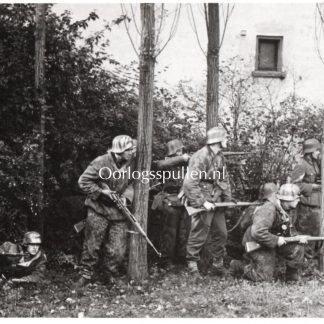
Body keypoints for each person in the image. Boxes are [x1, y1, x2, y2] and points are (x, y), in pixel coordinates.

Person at [75, 135, 135, 287]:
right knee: (92, 244)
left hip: (119, 211)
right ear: (119, 151)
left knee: (118, 249)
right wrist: (102, 192)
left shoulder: (131, 163)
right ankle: (86, 274)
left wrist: (126, 198)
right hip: (98, 208)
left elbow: (132, 183)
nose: (132, 152)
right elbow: (83, 181)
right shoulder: (101, 162)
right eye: (129, 150)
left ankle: (111, 274)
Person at [182, 126, 235, 276]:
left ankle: (217, 265)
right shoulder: (201, 156)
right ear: (218, 140)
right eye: (225, 138)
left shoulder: (219, 156)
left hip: (216, 199)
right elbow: (189, 183)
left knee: (222, 233)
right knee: (199, 233)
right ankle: (192, 266)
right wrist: (202, 202)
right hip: (203, 198)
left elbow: (224, 178)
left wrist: (228, 199)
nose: (226, 140)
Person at [230, 184, 305, 282]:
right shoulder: (268, 209)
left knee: (297, 247)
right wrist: (277, 240)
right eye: (297, 198)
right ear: (288, 199)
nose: (299, 200)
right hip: (258, 243)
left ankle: (292, 279)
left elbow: (287, 228)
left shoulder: (285, 208)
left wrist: (297, 237)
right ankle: (237, 266)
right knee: (264, 278)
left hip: (272, 241)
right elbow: (258, 232)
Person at [152, 139, 190, 267]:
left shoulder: (184, 164)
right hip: (169, 198)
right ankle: (166, 260)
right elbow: (159, 165)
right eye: (178, 150)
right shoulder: (164, 163)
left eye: (181, 150)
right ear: (173, 151)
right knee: (169, 232)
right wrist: (182, 158)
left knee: (184, 231)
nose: (181, 152)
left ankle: (182, 257)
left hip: (183, 200)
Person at [290, 138, 321, 255]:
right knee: (307, 233)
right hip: (306, 206)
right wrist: (313, 186)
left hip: (317, 204)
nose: (319, 153)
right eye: (317, 151)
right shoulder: (301, 164)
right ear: (311, 152)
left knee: (317, 231)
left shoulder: (315, 163)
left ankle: (312, 257)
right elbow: (294, 185)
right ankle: (305, 259)